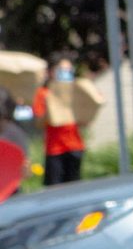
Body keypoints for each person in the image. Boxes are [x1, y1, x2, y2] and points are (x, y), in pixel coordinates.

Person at [32, 54, 101, 187]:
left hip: (75, 146)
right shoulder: (43, 94)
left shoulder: (75, 92)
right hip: (55, 149)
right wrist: (50, 107)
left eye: (68, 70)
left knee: (75, 186)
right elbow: (39, 123)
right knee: (55, 187)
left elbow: (85, 121)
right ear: (51, 72)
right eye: (61, 70)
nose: (65, 73)